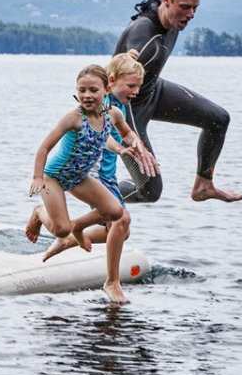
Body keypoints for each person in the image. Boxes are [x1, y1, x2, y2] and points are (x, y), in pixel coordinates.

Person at [114, 0, 242, 204]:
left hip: (153, 91)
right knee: (150, 191)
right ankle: (100, 192)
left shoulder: (181, 1)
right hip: (127, 110)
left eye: (195, 8)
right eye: (184, 7)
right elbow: (115, 84)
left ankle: (204, 185)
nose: (190, 14)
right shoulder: (145, 37)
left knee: (218, 119)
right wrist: (133, 140)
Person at [25, 64, 154, 302]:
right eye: (82, 90)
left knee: (115, 212)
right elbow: (44, 147)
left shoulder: (113, 114)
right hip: (54, 177)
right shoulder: (73, 118)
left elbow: (126, 132)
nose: (87, 95)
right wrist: (37, 177)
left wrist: (135, 143)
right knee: (60, 229)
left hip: (79, 177)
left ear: (106, 90)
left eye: (93, 90)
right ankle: (39, 212)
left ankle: (78, 228)